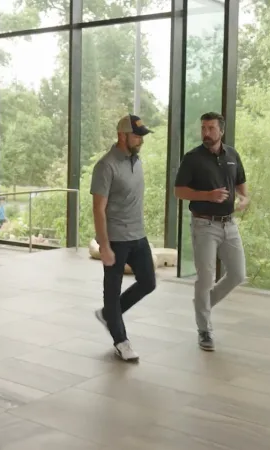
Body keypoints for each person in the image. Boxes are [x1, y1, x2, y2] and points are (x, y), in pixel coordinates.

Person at [174, 112, 249, 352]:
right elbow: (179, 191)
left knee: (238, 274)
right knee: (205, 278)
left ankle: (202, 304)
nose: (206, 133)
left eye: (211, 128)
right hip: (204, 225)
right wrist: (208, 195)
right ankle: (204, 329)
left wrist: (244, 200)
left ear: (221, 131)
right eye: (203, 128)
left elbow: (242, 186)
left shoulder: (232, 155)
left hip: (229, 224)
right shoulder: (192, 158)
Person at [90, 114, 157, 362]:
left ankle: (110, 314)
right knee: (112, 289)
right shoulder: (105, 166)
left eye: (141, 136)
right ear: (122, 135)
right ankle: (121, 340)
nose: (140, 140)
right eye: (136, 135)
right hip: (116, 238)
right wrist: (104, 245)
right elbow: (98, 208)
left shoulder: (136, 161)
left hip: (138, 235)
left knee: (148, 282)